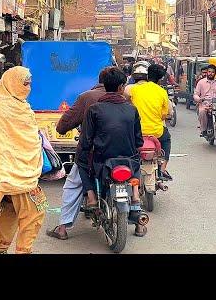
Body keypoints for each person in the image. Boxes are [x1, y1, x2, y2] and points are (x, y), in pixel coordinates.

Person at [0, 67, 47, 254]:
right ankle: (23, 251)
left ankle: (2, 248)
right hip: (14, 173)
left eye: (29, 83)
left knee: (10, 211)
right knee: (35, 212)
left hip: (9, 172)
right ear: (13, 83)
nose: (28, 87)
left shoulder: (17, 104)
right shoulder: (4, 107)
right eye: (25, 83)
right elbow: (7, 141)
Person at [77, 67, 146, 236]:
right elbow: (139, 140)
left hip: (102, 160)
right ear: (122, 87)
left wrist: (84, 151)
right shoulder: (132, 109)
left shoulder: (94, 109)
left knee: (81, 161)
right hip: (128, 160)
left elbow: (86, 141)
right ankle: (135, 198)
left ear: (104, 85)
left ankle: (92, 197)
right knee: (136, 163)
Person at [46, 68, 109, 241]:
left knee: (73, 184)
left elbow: (64, 123)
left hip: (91, 153)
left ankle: (63, 228)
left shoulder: (87, 97)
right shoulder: (125, 99)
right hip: (120, 153)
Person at [128, 63, 174, 181]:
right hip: (156, 132)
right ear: (160, 79)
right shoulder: (162, 92)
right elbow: (165, 114)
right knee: (167, 139)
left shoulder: (134, 90)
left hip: (136, 132)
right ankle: (162, 169)